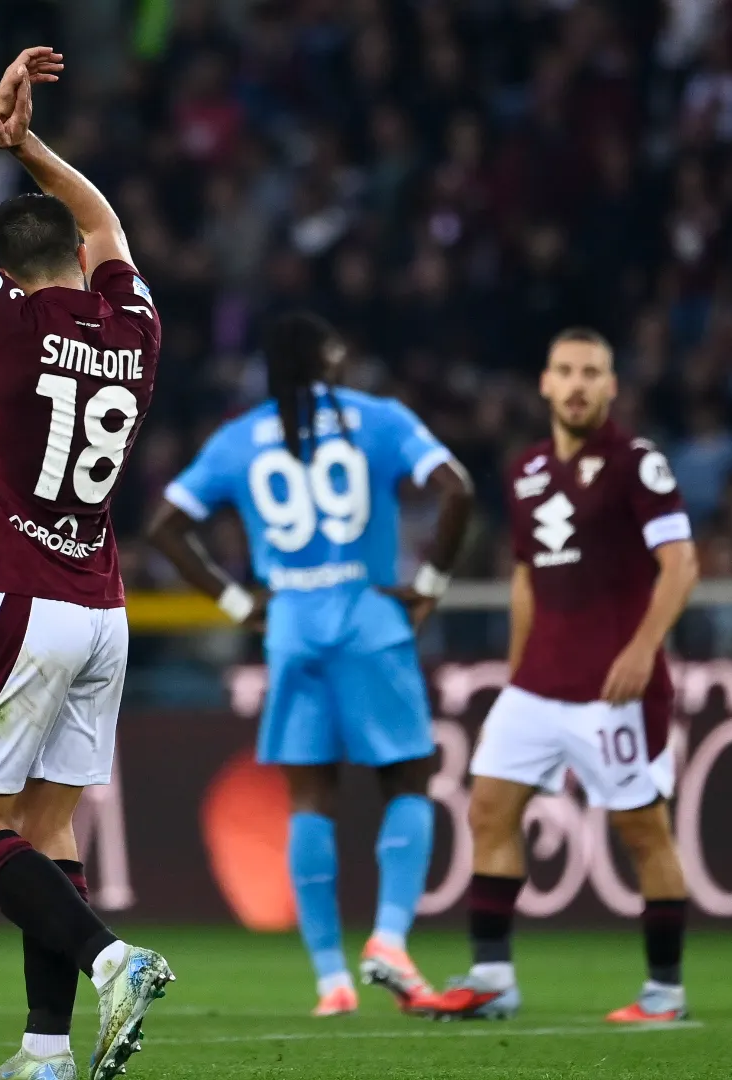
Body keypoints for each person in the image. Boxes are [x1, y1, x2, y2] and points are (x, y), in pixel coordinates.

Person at [0, 47, 173, 1080]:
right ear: (75, 255)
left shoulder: (7, 321)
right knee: (47, 825)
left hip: (17, 601)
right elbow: (107, 224)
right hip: (101, 605)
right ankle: (44, 1052)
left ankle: (111, 960)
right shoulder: (136, 327)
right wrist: (37, 148)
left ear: (6, 269)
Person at [146, 312, 473, 1016]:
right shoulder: (378, 418)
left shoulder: (238, 438)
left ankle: (331, 981)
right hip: (371, 621)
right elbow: (458, 488)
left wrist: (238, 602)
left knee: (309, 801)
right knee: (407, 783)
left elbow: (164, 525)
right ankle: (389, 940)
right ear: (330, 356)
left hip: (291, 630)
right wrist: (430, 585)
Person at [413, 327, 700, 1023]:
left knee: (643, 832)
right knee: (488, 810)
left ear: (611, 387)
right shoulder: (526, 470)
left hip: (614, 688)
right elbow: (526, 579)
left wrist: (643, 649)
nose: (576, 385)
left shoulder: (638, 463)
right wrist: (517, 671)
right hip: (537, 684)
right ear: (545, 383)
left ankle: (665, 991)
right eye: (566, 371)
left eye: (590, 373)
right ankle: (493, 979)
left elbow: (681, 564)